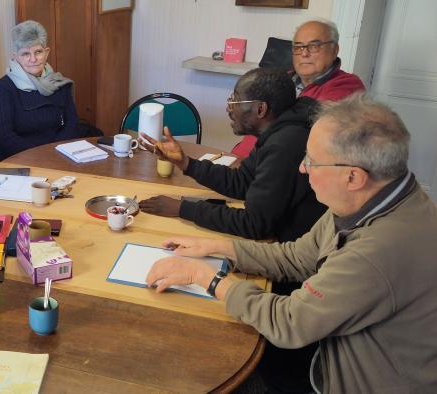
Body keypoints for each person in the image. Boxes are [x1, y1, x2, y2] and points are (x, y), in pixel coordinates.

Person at [146, 95, 437, 393]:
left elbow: (289, 323)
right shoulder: (368, 200)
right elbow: (297, 257)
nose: (301, 168)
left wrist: (205, 276)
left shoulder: (377, 251)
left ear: (353, 177)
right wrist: (219, 247)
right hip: (331, 355)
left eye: (311, 161)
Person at [139, 67, 326, 243]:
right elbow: (242, 181)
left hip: (293, 256)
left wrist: (182, 209)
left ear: (260, 109)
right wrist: (186, 163)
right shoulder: (280, 131)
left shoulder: (284, 145)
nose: (229, 108)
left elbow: (254, 224)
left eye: (235, 101)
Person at [232, 19, 365, 159]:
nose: (304, 53)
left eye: (314, 46)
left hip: (284, 167)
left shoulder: (347, 85)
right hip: (243, 158)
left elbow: (303, 131)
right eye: (298, 47)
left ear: (334, 50)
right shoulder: (282, 79)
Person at [0, 20, 85, 162]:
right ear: (15, 57)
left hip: (60, 156)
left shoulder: (60, 83)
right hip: (22, 161)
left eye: (38, 52)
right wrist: (43, 155)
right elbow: (4, 137)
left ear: (46, 53)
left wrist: (55, 152)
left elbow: (72, 124)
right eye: (26, 54)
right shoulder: (4, 88)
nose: (33, 59)